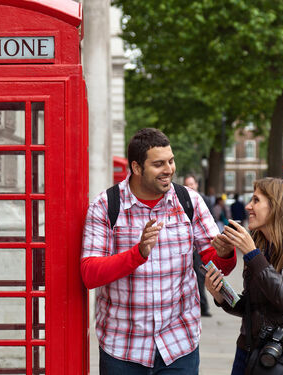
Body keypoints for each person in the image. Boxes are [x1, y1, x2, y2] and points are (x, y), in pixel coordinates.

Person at [81, 128, 237, 373]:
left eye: (171, 161)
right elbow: (90, 274)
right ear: (136, 167)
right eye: (158, 164)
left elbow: (214, 265)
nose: (169, 169)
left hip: (178, 345)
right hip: (122, 347)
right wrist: (138, 254)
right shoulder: (106, 205)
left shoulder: (189, 201)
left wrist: (226, 253)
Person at [205, 178, 283, 375]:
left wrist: (252, 254)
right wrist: (220, 294)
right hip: (248, 349)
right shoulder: (259, 243)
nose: (249, 206)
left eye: (256, 200)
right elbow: (251, 307)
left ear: (277, 207)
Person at [184, 174, 212, 317]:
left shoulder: (204, 200)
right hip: (188, 246)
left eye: (192, 184)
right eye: (187, 184)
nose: (190, 186)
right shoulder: (182, 200)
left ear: (196, 184)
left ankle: (204, 306)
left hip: (201, 246)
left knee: (201, 275)